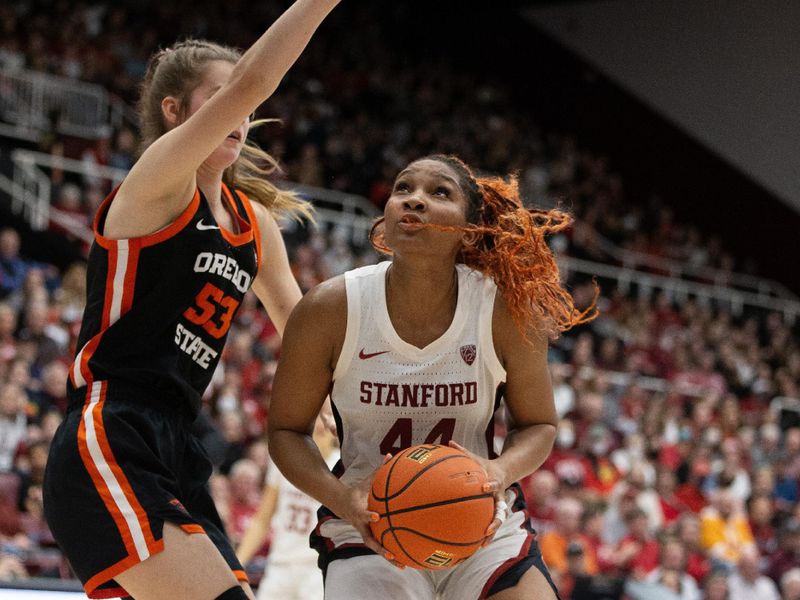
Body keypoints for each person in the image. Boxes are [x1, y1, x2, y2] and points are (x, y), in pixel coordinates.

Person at [41, 2, 342, 599]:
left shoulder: (254, 224)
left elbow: (306, 329)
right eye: (223, 98)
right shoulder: (153, 184)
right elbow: (258, 79)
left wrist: (349, 403)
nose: (243, 112)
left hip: (179, 445)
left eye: (244, 106)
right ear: (174, 112)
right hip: (111, 430)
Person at [268, 154, 597, 599]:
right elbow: (286, 432)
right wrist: (343, 497)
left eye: (439, 192)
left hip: (479, 521)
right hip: (368, 527)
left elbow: (540, 425)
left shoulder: (504, 310)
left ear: (469, 225)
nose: (415, 201)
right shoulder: (330, 308)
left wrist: (498, 471)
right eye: (404, 189)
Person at [236, 417, 339, 600]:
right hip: (280, 565)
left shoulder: (340, 464)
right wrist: (238, 563)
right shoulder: (285, 460)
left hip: (317, 568)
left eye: (329, 415)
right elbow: (262, 519)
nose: (323, 423)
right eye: (319, 415)